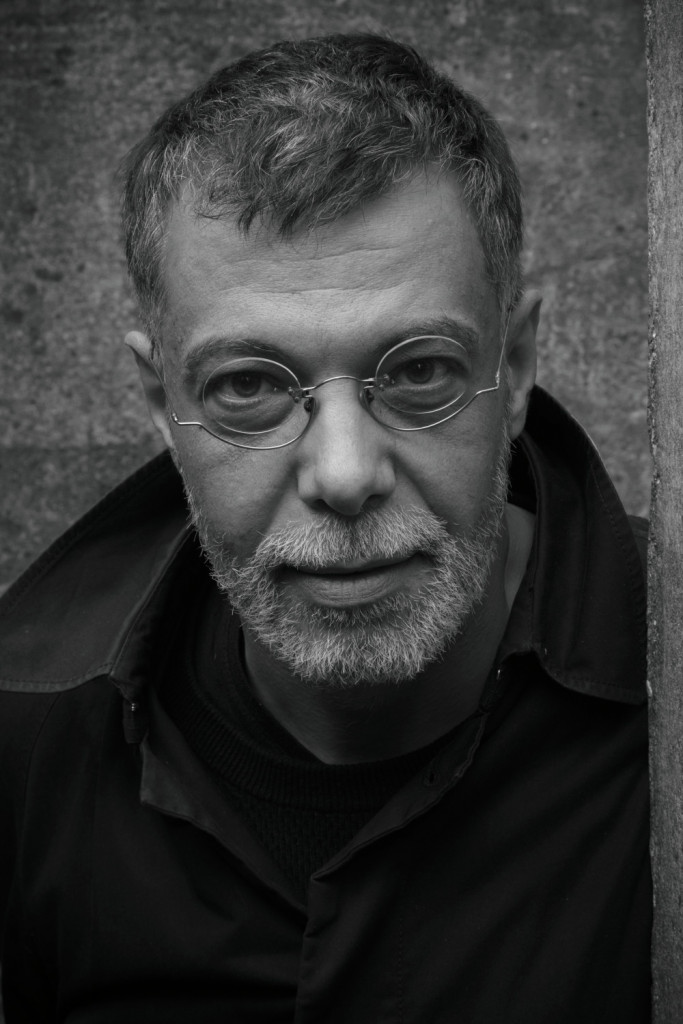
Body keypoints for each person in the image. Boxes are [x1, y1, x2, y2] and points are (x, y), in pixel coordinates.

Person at [0, 33, 650, 1023]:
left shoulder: (664, 704)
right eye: (249, 387)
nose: (344, 474)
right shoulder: (28, 735)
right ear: (160, 403)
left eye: (419, 371)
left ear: (513, 367)